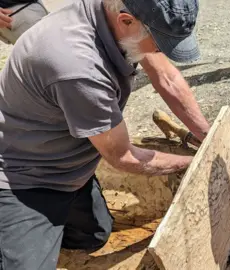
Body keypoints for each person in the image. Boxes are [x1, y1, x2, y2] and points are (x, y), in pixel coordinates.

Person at [0, 0, 211, 268]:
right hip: (22, 176)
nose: (161, 52)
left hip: (68, 163)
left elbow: (167, 79)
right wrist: (193, 164)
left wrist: (208, 135)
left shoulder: (120, 14)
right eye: (160, 43)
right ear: (125, 21)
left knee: (93, 236)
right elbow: (124, 156)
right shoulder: (76, 66)